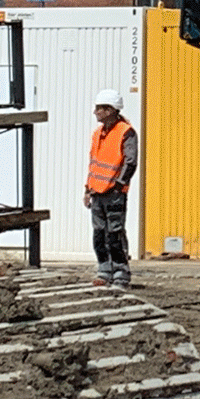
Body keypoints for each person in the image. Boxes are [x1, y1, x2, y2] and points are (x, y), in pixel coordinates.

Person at [85, 88, 137, 288]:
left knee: (114, 234)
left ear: (110, 110)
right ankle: (105, 270)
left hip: (113, 193)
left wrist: (119, 185)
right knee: (99, 234)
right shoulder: (98, 134)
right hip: (97, 192)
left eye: (99, 108)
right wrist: (87, 189)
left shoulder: (126, 132)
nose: (96, 112)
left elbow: (130, 162)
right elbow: (94, 163)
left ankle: (121, 274)